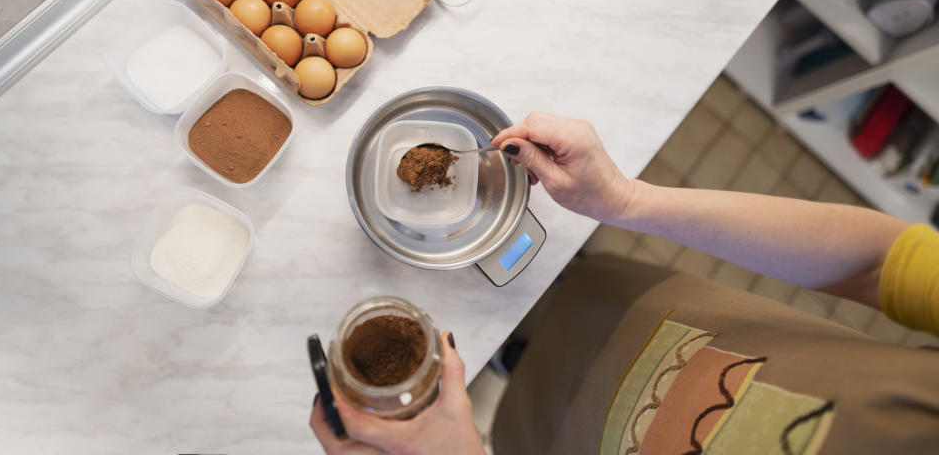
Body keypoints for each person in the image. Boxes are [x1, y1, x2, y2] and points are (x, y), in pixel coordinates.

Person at [312, 113, 939, 454]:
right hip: (644, 318)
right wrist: (628, 200)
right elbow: (880, 263)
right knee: (559, 327)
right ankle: (520, 355)